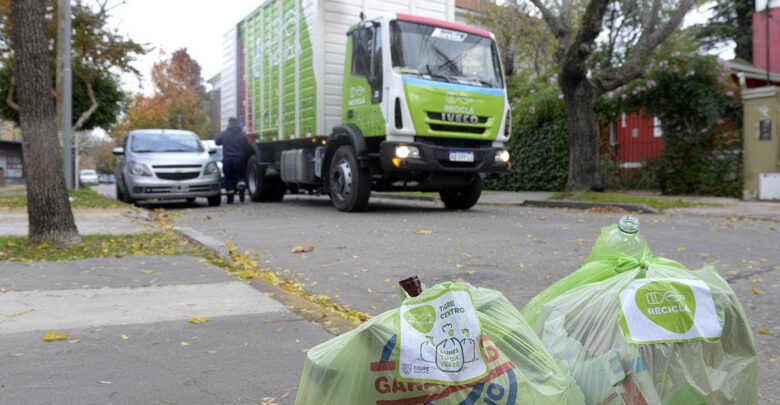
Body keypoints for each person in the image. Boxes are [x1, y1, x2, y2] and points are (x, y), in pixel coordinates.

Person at [215, 117, 252, 203]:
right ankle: (241, 189)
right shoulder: (242, 135)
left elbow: (217, 142)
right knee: (241, 176)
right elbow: (247, 148)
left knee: (228, 178)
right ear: (236, 124)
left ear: (229, 124)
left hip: (227, 160)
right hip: (239, 159)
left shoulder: (224, 134)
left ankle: (230, 198)